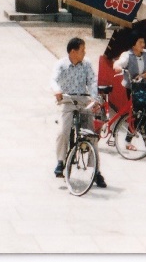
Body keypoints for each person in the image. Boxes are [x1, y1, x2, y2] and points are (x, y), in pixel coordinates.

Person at [50, 37, 107, 187]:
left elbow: (92, 81)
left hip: (83, 101)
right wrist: (57, 90)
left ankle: (96, 171)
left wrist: (94, 99)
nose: (85, 52)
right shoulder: (61, 65)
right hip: (67, 101)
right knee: (63, 131)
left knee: (91, 136)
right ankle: (61, 162)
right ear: (73, 52)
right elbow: (54, 80)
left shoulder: (86, 64)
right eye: (82, 50)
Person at [114, 34, 146, 156]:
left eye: (143, 42)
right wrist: (118, 67)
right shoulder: (127, 55)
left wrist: (143, 76)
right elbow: (119, 63)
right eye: (140, 42)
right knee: (141, 115)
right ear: (133, 44)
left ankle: (128, 141)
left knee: (138, 115)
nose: (143, 45)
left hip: (143, 86)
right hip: (131, 88)